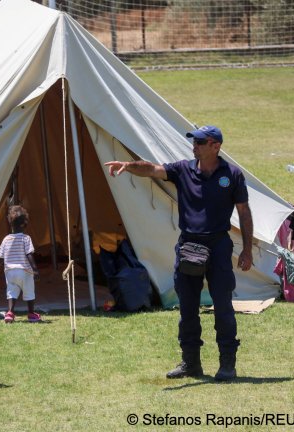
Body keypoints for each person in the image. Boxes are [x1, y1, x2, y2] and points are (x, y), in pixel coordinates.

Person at [104, 125, 253, 382]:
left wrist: (248, 249)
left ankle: (227, 364)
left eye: (199, 142)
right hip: (188, 246)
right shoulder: (183, 169)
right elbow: (152, 169)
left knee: (223, 306)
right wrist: (129, 166)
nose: (193, 146)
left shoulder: (232, 174)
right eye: (193, 141)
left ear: (215, 146)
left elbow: (244, 212)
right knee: (187, 308)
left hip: (217, 246)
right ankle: (191, 363)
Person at [0, 205, 41, 323]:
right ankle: (31, 313)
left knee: (11, 291)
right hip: (24, 271)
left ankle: (10, 313)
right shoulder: (26, 238)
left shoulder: (6, 239)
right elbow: (29, 254)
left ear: (10, 224)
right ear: (24, 224)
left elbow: (0, 256)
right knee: (29, 291)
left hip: (10, 271)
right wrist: (35, 269)